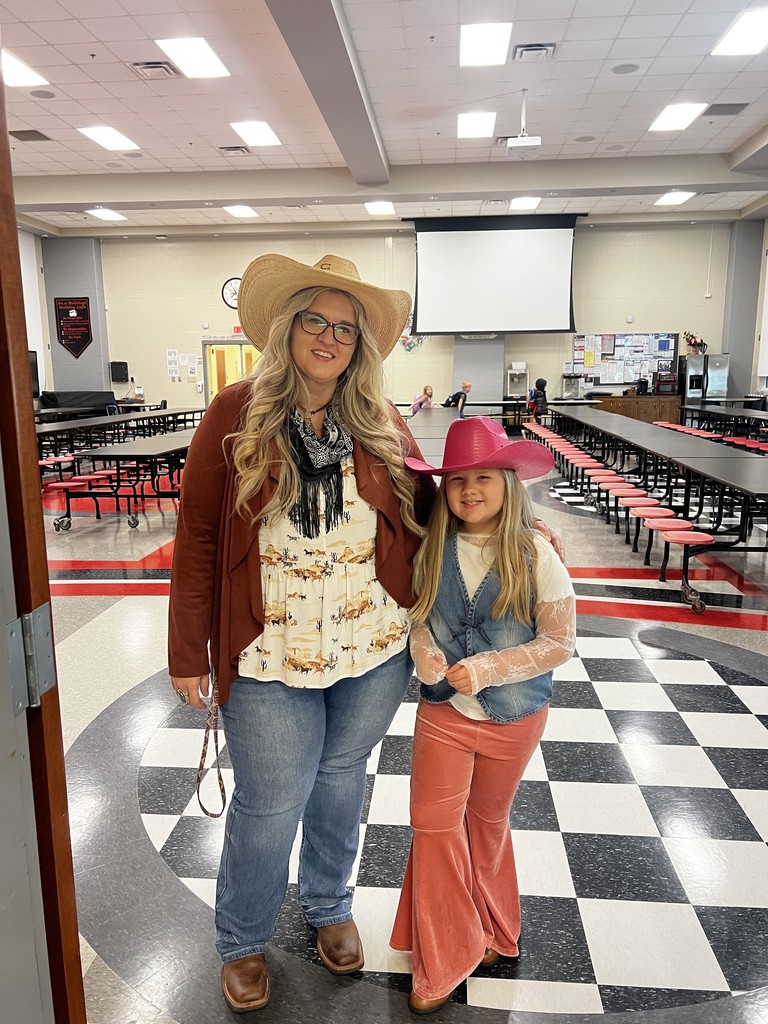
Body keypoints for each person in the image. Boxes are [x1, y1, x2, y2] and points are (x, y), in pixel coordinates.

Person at [167, 253, 437, 1013]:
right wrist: (189, 650)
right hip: (270, 651)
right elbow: (197, 539)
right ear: (288, 330)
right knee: (271, 801)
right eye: (315, 320)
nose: (328, 337)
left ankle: (328, 904)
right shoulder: (236, 411)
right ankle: (242, 939)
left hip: (372, 649)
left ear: (361, 346)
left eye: (345, 328)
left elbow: (432, 510)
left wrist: (516, 528)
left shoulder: (381, 422)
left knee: (341, 782)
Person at [389, 417, 576, 1014]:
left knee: (487, 822)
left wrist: (491, 668)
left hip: (515, 717)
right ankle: (443, 957)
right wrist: (425, 655)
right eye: (458, 479)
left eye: (485, 478)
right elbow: (419, 619)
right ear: (443, 488)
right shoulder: (431, 547)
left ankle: (495, 927)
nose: (471, 490)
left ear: (508, 482)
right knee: (433, 825)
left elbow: (559, 642)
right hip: (443, 713)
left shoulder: (535, 551)